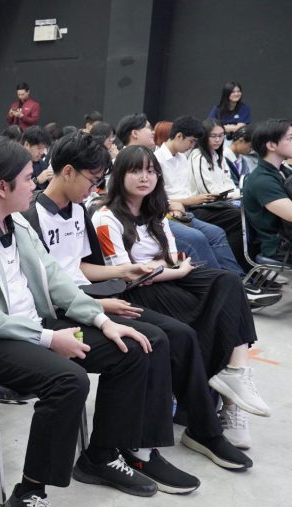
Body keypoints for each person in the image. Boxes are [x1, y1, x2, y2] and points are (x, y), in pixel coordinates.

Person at [0, 137, 169, 507]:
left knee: (133, 346)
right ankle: (29, 494)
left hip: (28, 327)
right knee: (69, 381)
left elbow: (57, 281)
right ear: (2, 187)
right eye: (27, 178)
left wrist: (101, 320)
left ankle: (100, 455)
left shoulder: (18, 224)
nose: (35, 185)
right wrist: (49, 339)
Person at [23, 131, 251, 476]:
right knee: (155, 340)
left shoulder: (78, 211)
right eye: (93, 179)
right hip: (69, 310)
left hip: (95, 296)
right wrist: (102, 305)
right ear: (67, 171)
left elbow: (82, 267)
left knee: (185, 331)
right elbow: (43, 288)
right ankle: (140, 447)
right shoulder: (32, 219)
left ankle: (202, 428)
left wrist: (123, 271)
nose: (95, 187)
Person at [93, 144, 271, 451]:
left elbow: (172, 258)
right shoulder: (106, 218)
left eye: (151, 171)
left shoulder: (155, 212)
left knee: (229, 283)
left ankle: (236, 375)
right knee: (212, 317)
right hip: (136, 292)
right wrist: (168, 269)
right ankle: (227, 406)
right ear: (119, 175)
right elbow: (127, 274)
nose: (145, 177)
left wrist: (163, 267)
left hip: (164, 280)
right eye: (136, 171)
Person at [154, 116, 251, 277]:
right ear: (179, 136)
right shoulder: (157, 160)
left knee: (218, 232)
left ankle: (236, 278)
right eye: (191, 141)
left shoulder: (182, 158)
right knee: (205, 233)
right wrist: (189, 201)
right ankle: (223, 280)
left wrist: (189, 201)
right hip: (169, 212)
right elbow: (156, 198)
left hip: (187, 208)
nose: (192, 145)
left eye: (221, 136)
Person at [242, 119, 292, 262]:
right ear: (271, 145)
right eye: (290, 138)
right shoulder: (261, 180)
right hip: (282, 248)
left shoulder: (283, 171)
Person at [189, 119, 238, 197]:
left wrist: (235, 193)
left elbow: (228, 182)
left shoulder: (219, 155)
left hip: (224, 199)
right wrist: (234, 194)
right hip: (205, 202)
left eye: (221, 135)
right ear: (204, 136)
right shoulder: (199, 157)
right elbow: (209, 192)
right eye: (213, 136)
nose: (218, 140)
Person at [22, 126, 54, 191]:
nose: (42, 152)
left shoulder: (42, 164)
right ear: (27, 145)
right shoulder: (15, 164)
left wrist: (52, 182)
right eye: (39, 148)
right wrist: (36, 181)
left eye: (44, 148)